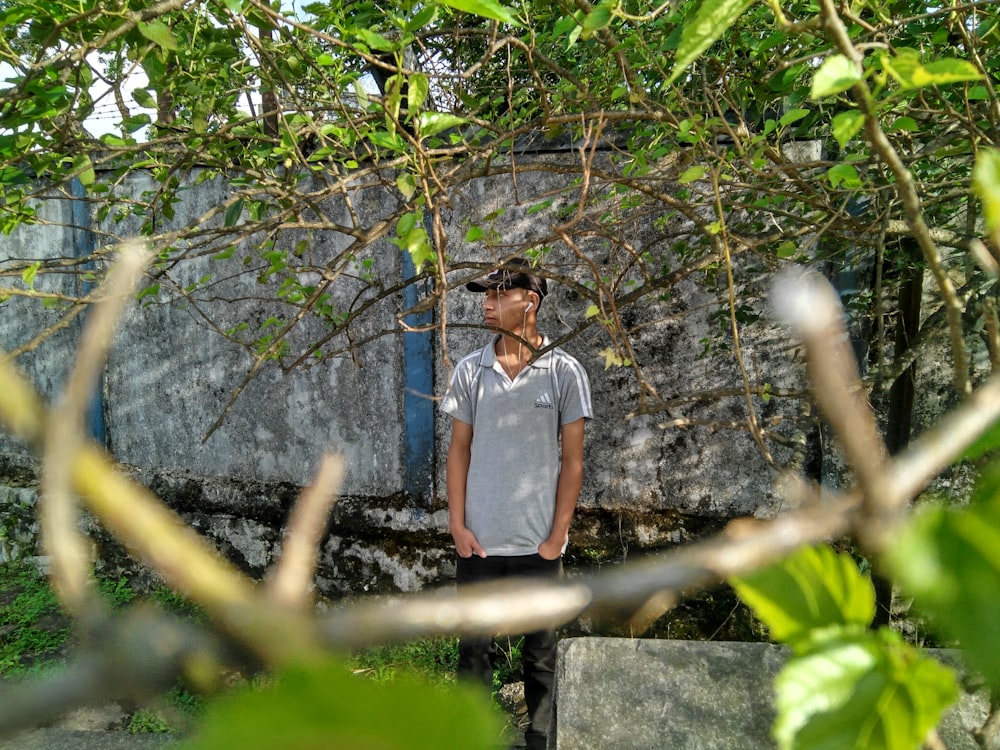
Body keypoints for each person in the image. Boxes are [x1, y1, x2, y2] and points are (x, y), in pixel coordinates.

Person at [440, 257, 593, 750]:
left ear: (530, 301)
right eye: (484, 295)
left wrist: (556, 539)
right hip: (478, 543)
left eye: (497, 294)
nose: (486, 304)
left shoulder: (564, 372)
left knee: (540, 653)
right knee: (473, 653)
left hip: (537, 544)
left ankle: (539, 740)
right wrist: (458, 526)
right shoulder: (470, 370)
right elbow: (458, 451)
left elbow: (573, 462)